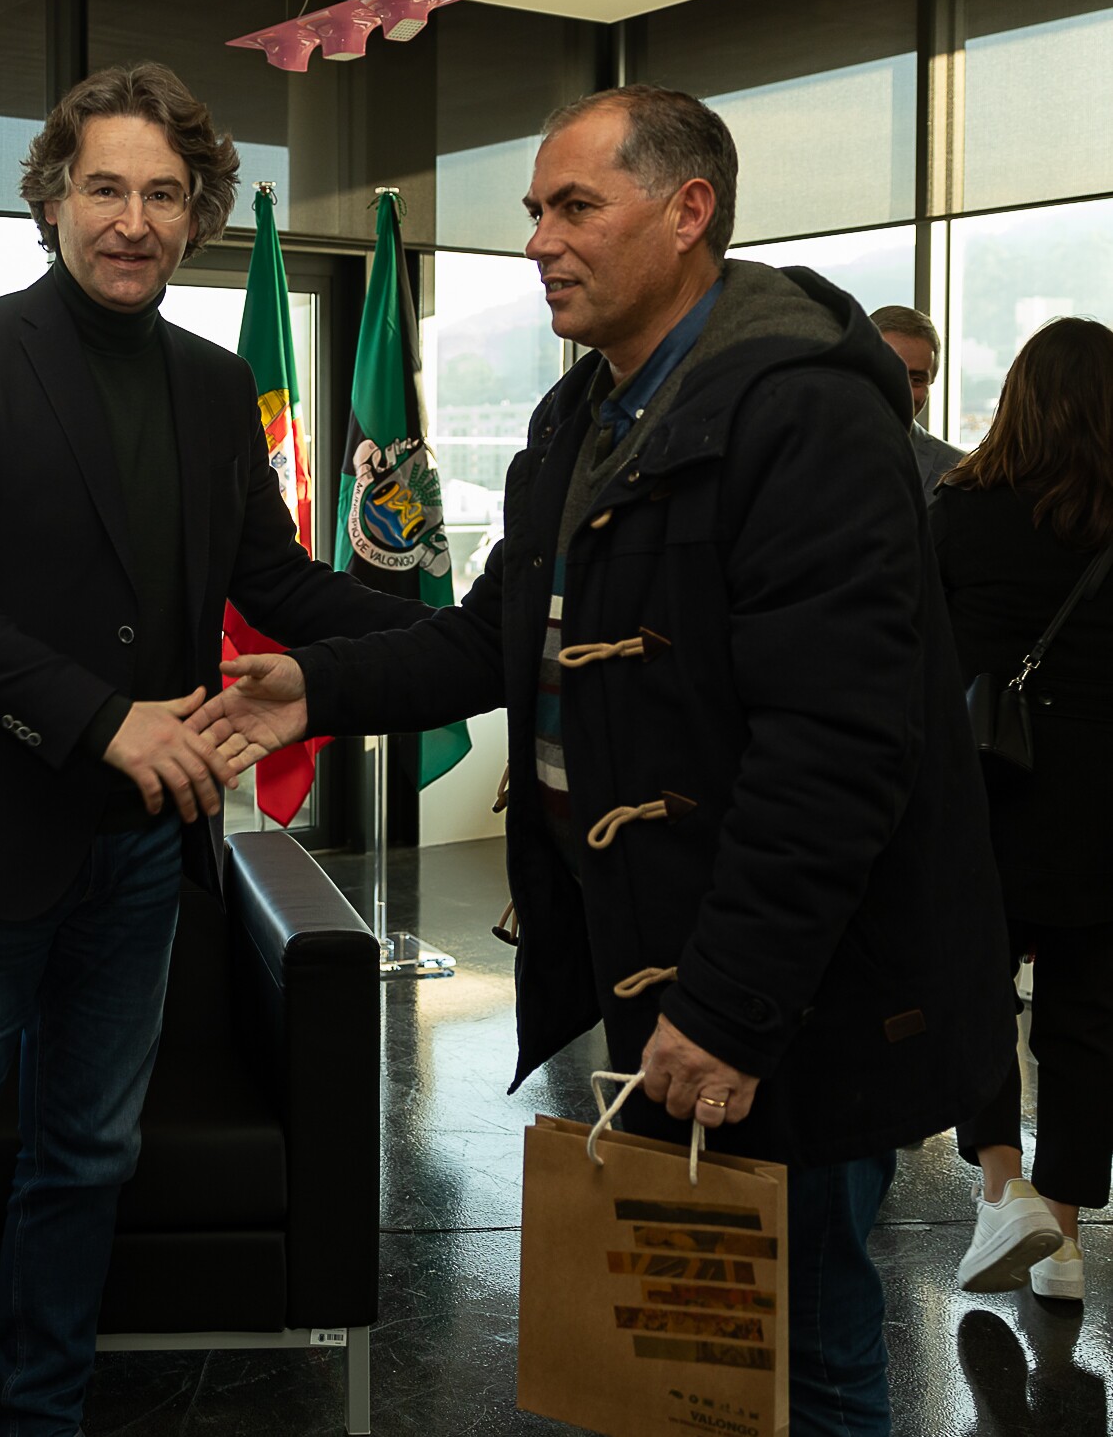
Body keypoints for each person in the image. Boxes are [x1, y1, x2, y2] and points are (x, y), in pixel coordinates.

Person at [193, 86, 1010, 1435]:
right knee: (701, 1342)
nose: (536, 241)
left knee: (805, 1344)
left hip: (798, 990)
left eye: (573, 206)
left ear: (688, 211)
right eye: (534, 210)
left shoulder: (803, 415)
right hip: (665, 954)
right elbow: (499, 634)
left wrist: (728, 1007)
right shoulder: (583, 416)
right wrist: (318, 685)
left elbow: (835, 748)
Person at [0, 62, 431, 1437]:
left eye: (163, 194)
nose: (132, 220)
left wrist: (457, 635)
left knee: (88, 1156)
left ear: (197, 213)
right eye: (104, 188)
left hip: (140, 853)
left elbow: (274, 577)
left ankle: (42, 1414)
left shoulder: (214, 385)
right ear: (50, 198)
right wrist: (102, 719)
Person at [938, 316, 1113, 1304]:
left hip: (986, 797)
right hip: (1103, 815)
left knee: (974, 992)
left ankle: (1003, 1188)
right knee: (1087, 1022)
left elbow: (917, 658)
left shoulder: (961, 512)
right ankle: (1068, 1240)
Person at [872, 304, 964, 489]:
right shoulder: (814, 453)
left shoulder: (959, 472)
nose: (902, 392)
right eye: (889, 374)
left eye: (916, 380)